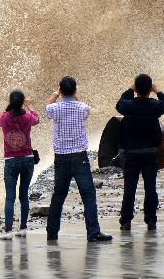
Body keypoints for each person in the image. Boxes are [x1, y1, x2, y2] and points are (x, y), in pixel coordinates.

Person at [45, 76, 113, 243]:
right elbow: (82, 105)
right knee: (88, 195)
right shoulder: (83, 108)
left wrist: (56, 94)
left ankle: (52, 232)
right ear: (75, 90)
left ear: (61, 91)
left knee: (58, 195)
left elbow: (48, 105)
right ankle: (93, 233)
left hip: (61, 157)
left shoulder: (55, 108)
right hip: (79, 157)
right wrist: (74, 95)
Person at [115, 74, 164, 231]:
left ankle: (126, 221)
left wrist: (130, 89)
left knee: (130, 188)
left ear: (136, 89)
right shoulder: (154, 106)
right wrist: (158, 90)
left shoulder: (128, 106)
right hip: (151, 153)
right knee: (150, 187)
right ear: (150, 90)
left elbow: (119, 103)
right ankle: (151, 220)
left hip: (131, 153)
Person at [0, 89, 40, 239]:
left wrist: (9, 106)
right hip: (27, 158)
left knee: (10, 197)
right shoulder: (28, 117)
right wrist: (29, 106)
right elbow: (37, 119)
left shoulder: (4, 118)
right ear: (22, 102)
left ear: (10, 102)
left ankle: (8, 231)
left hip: (10, 160)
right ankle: (23, 228)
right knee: (23, 194)